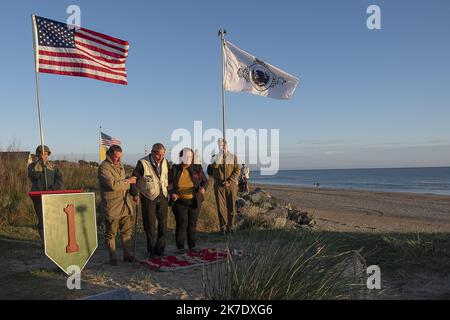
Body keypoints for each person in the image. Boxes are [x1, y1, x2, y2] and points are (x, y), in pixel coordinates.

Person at [98, 145, 137, 266]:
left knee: (126, 231)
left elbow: (123, 182)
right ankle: (113, 257)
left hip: (124, 205)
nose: (118, 160)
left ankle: (127, 255)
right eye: (116, 157)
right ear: (109, 154)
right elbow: (113, 185)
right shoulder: (103, 168)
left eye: (120, 157)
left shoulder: (120, 165)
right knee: (111, 233)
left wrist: (134, 193)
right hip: (112, 206)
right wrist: (129, 182)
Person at [131, 143, 170, 257]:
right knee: (150, 225)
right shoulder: (143, 163)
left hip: (163, 196)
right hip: (148, 197)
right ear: (153, 153)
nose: (161, 157)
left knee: (163, 225)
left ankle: (160, 250)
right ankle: (151, 251)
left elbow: (169, 177)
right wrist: (134, 193)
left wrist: (171, 191)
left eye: (163, 155)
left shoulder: (166, 162)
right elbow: (134, 179)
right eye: (158, 155)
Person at [169, 148, 208, 253]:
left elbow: (205, 181)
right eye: (186, 156)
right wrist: (172, 193)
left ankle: (192, 246)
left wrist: (203, 188)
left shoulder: (197, 168)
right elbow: (169, 184)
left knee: (192, 224)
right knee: (181, 224)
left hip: (194, 202)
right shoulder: (175, 168)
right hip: (179, 203)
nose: (188, 158)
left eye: (190, 156)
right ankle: (180, 247)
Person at [28, 145, 64, 243]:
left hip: (52, 195)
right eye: (42, 154)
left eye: (46, 154)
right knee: (42, 219)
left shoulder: (53, 166)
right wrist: (40, 165)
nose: (45, 156)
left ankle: (54, 240)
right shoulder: (32, 166)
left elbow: (60, 179)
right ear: (38, 155)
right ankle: (45, 242)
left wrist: (53, 189)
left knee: (53, 217)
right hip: (38, 196)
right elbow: (33, 177)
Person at [210, 139, 240, 233]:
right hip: (219, 184)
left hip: (231, 185)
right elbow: (214, 167)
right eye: (220, 145)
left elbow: (237, 170)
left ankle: (231, 227)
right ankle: (223, 228)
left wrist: (230, 181)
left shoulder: (233, 157)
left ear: (227, 145)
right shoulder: (215, 156)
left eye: (223, 145)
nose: (222, 147)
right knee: (220, 207)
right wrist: (220, 156)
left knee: (231, 206)